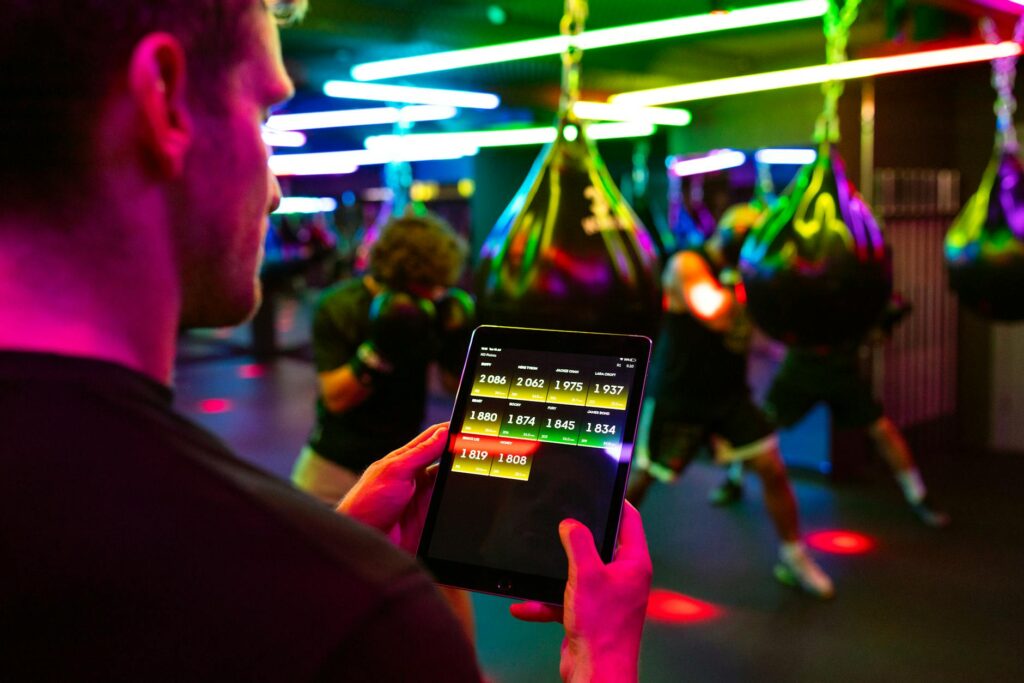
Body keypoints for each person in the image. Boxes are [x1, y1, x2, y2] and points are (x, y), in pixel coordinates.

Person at [0, 1, 652, 680]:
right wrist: (600, 659)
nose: (278, 190)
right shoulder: (355, 619)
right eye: (262, 116)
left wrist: (329, 553)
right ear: (163, 99)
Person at [627, 206, 835, 599]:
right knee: (644, 477)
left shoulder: (748, 275)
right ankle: (597, 550)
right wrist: (764, 290)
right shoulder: (687, 264)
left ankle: (793, 557)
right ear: (733, 235)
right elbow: (718, 314)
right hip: (680, 395)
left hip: (728, 396)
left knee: (772, 468)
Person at [710, 298, 951, 528]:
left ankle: (918, 496)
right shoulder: (802, 280)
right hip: (801, 370)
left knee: (882, 429)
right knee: (760, 428)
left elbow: (873, 333)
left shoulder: (852, 284)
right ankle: (734, 481)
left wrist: (880, 326)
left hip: (840, 368)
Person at [291, 212, 473, 503]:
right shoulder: (339, 306)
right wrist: (382, 348)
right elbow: (336, 398)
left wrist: (458, 346)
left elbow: (454, 386)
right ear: (401, 275)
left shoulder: (434, 308)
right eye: (428, 284)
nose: (437, 293)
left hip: (400, 461)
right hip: (336, 466)